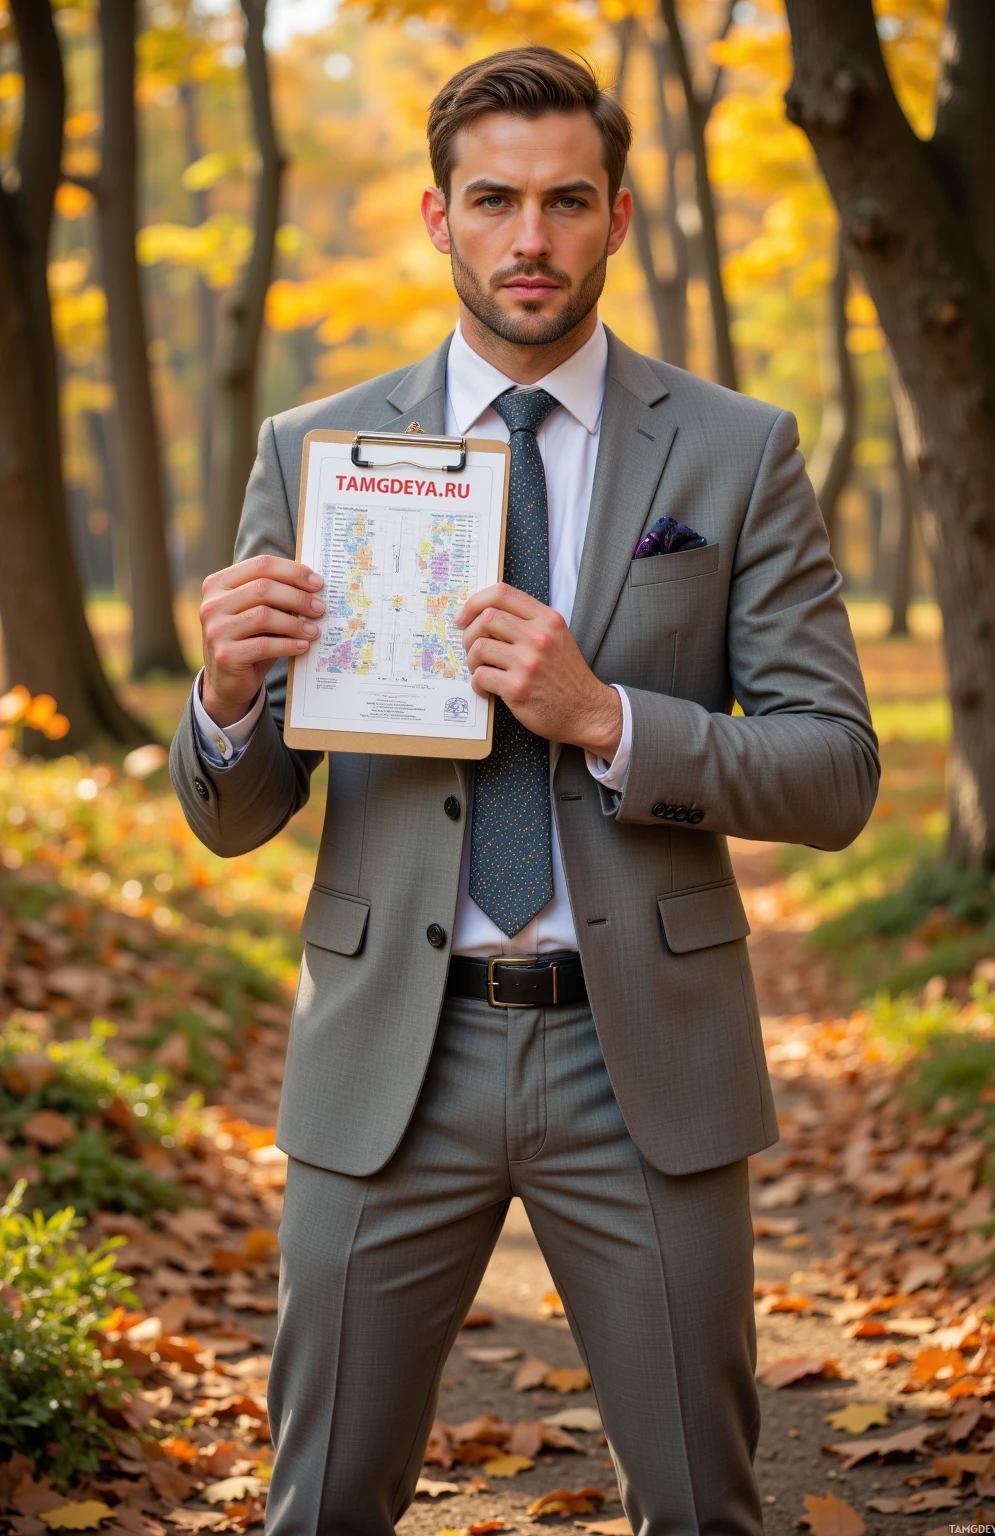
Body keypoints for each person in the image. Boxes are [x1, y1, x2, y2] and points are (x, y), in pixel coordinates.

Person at [171, 45, 878, 1536]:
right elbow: (237, 815)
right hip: (387, 1065)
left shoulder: (741, 453)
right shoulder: (314, 454)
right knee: (318, 1509)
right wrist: (230, 699)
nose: (530, 239)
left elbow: (835, 772)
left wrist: (611, 718)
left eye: (567, 201)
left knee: (704, 1505)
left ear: (619, 215)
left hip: (644, 1067)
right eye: (493, 200)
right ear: (439, 216)